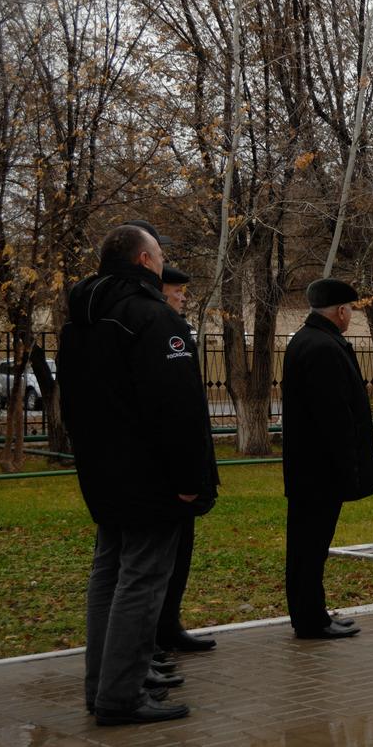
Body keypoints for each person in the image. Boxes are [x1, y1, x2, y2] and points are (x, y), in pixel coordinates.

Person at [58, 224, 216, 725]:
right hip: (151, 478)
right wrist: (193, 478)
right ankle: (121, 697)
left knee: (108, 578)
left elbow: (75, 405)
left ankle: (102, 688)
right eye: (161, 256)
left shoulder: (79, 321)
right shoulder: (152, 319)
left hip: (103, 473)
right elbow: (179, 408)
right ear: (146, 262)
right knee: (142, 584)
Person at [281, 279, 373, 639]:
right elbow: (334, 415)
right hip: (319, 470)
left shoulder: (308, 340)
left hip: (310, 468)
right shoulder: (323, 347)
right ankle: (310, 619)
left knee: (308, 547)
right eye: (350, 309)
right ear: (340, 311)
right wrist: (348, 467)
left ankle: (313, 613)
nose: (351, 315)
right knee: (309, 548)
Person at [154, 265, 219, 653]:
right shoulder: (161, 330)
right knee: (157, 563)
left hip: (185, 469)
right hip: (169, 477)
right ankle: (153, 636)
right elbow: (175, 410)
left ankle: (168, 625)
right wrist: (187, 479)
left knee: (180, 555)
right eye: (177, 290)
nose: (183, 297)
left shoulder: (174, 329)